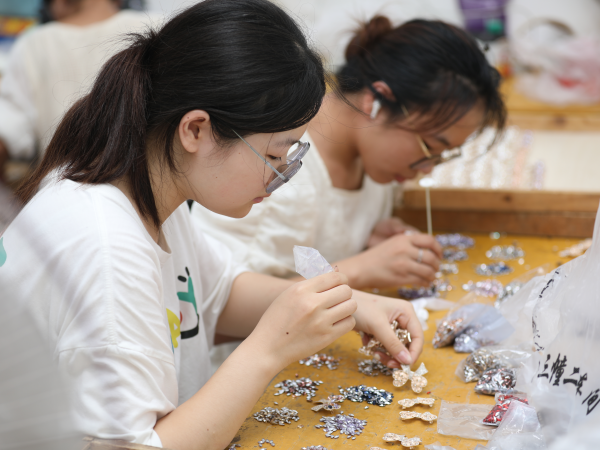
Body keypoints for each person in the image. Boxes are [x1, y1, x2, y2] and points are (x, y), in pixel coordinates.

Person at [0, 1, 423, 448]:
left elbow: (219, 295)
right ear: (196, 130)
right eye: (274, 155)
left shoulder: (151, 192)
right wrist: (268, 350)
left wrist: (349, 305)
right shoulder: (106, 245)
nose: (280, 176)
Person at [191, 16, 507, 290]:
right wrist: (359, 269)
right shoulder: (274, 168)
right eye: (431, 148)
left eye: (444, 155)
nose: (427, 169)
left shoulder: (374, 164)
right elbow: (216, 305)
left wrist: (367, 242)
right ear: (377, 101)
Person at [0, 0, 155, 183]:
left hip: (64, 195)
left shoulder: (33, 45)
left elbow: (6, 132)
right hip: (149, 195)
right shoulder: (156, 27)